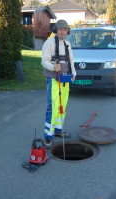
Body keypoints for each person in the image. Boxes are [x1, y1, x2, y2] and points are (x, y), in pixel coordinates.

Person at [41, 20, 76, 148]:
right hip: (53, 79)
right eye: (60, 29)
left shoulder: (67, 44)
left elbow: (71, 60)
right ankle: (48, 136)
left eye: (65, 29)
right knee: (53, 107)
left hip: (65, 79)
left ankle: (58, 130)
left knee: (62, 105)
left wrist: (74, 73)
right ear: (56, 29)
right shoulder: (48, 43)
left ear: (67, 31)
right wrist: (52, 67)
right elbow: (44, 61)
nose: (63, 32)